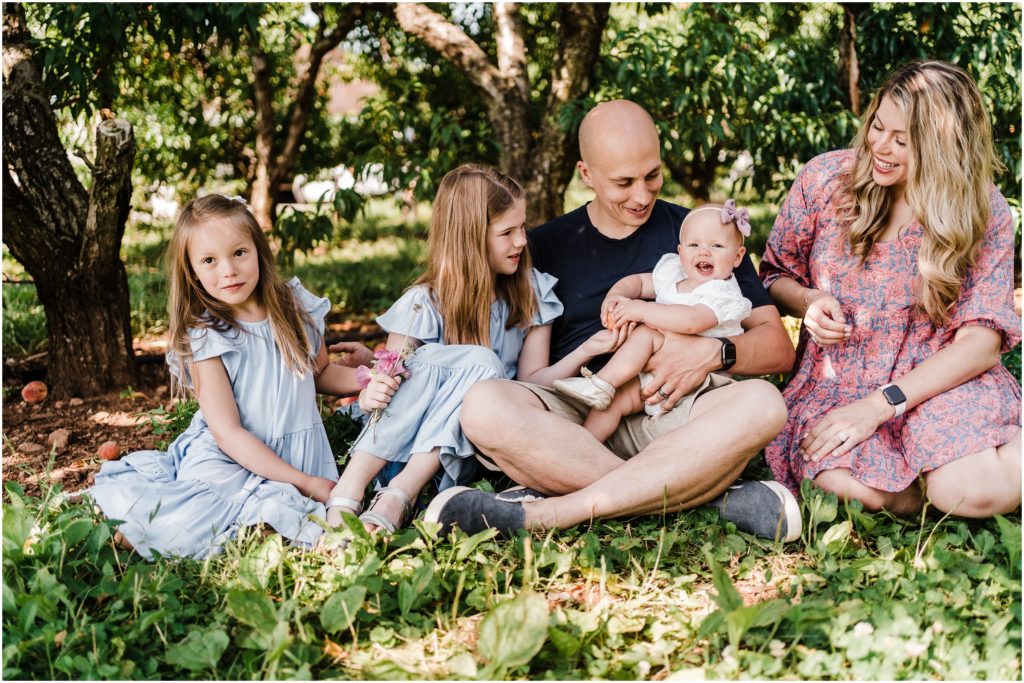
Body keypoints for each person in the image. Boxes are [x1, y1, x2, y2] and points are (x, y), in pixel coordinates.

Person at [423, 100, 801, 542]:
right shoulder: (545, 245)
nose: (642, 196)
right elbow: (470, 313)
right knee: (483, 405)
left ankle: (557, 509)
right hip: (576, 418)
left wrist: (714, 353)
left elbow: (778, 348)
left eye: (652, 176)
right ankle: (711, 500)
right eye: (623, 183)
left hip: (675, 412)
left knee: (763, 404)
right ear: (586, 174)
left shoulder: (704, 236)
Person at [758, 60, 1021, 517]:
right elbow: (774, 274)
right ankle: (927, 485)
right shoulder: (825, 180)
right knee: (845, 485)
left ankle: (958, 474)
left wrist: (879, 407)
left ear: (943, 148)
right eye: (878, 126)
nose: (879, 146)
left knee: (974, 491)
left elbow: (981, 343)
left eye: (901, 140)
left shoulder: (982, 208)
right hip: (837, 385)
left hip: (935, 380)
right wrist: (809, 301)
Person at [324, 164, 622, 533]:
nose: (522, 241)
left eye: (522, 228)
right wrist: (373, 383)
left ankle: (391, 495)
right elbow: (393, 380)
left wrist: (586, 350)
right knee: (460, 362)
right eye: (507, 232)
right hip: (398, 445)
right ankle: (366, 490)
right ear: (469, 237)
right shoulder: (423, 303)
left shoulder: (530, 293)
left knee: (481, 369)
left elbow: (531, 380)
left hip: (461, 451)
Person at [88, 194, 365, 559]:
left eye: (239, 253)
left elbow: (320, 373)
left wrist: (367, 380)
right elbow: (228, 432)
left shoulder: (294, 307)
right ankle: (139, 526)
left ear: (258, 250)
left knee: (274, 518)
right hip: (229, 456)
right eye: (209, 260)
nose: (228, 270)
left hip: (295, 451)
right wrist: (305, 481)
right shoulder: (208, 334)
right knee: (199, 521)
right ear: (192, 271)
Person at [554, 200, 754, 442]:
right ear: (680, 252)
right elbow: (637, 282)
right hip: (653, 375)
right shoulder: (673, 274)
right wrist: (616, 296)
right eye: (694, 244)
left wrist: (640, 310)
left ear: (737, 256)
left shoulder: (722, 292)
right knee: (611, 404)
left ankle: (601, 383)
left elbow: (692, 321)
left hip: (697, 386)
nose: (704, 252)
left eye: (717, 245)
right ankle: (581, 447)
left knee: (646, 333)